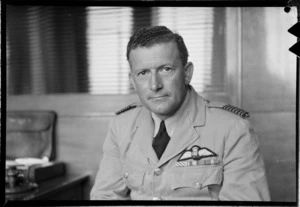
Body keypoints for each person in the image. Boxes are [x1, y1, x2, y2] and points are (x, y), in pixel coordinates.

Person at [90, 26, 270, 200]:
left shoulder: (232, 129)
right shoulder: (121, 125)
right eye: (143, 73)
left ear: (187, 73)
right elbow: (105, 197)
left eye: (166, 69)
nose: (155, 85)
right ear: (133, 80)